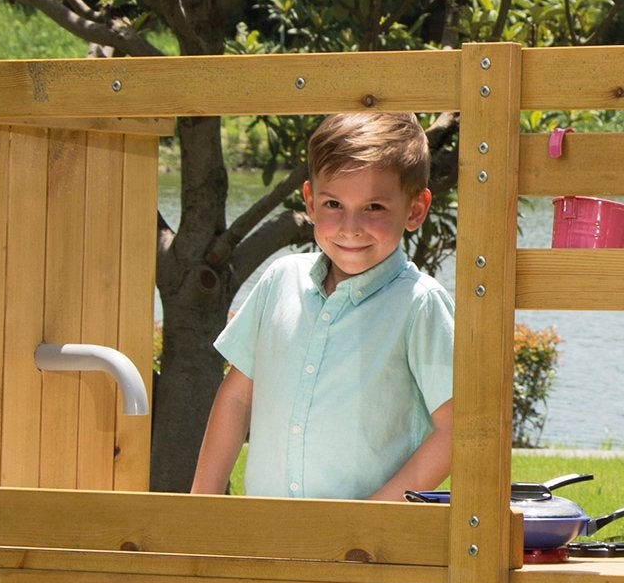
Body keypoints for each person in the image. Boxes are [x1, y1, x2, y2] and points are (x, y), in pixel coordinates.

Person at [191, 111, 456, 502]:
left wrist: (372, 518)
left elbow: (456, 431)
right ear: (310, 202)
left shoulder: (421, 305)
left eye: (374, 208)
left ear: (415, 210)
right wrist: (204, 497)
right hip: (267, 536)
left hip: (369, 551)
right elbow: (236, 397)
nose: (351, 226)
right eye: (334, 204)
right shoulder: (278, 281)